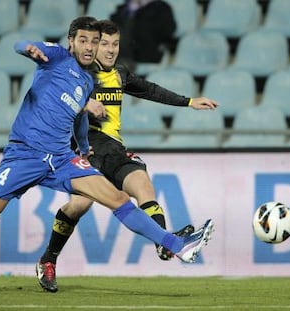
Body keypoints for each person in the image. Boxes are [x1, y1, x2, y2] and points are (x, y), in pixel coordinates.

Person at [0, 16, 214, 290]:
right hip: (25, 155)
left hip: (62, 159)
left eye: (95, 41)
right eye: (84, 41)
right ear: (71, 42)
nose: (90, 47)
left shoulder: (88, 82)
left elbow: (77, 124)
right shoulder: (57, 57)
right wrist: (29, 49)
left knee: (118, 199)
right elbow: (22, 45)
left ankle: (178, 245)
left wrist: (85, 149)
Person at [36, 20, 218, 292]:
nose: (110, 50)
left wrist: (189, 102)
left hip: (114, 150)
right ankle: (48, 259)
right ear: (93, 45)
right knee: (79, 206)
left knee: (142, 184)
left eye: (115, 44)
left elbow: (150, 89)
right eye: (104, 44)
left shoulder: (119, 74)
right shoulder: (76, 75)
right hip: (87, 150)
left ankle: (164, 244)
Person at [110, 0, 176, 70]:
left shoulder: (160, 7)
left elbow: (168, 30)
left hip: (147, 51)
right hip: (123, 51)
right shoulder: (125, 8)